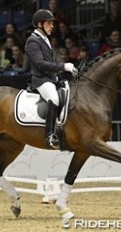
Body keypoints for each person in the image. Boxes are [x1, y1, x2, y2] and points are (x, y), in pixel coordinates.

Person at [25, 9, 77, 149]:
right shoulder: (32, 41)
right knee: (53, 98)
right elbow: (41, 64)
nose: (52, 26)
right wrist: (63, 66)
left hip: (51, 78)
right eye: (49, 23)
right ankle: (50, 135)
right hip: (41, 80)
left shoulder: (44, 39)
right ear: (40, 24)